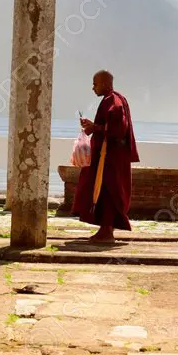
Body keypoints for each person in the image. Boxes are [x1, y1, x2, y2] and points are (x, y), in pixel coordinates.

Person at [72, 70, 139, 243]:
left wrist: (96, 128)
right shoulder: (114, 99)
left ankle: (107, 231)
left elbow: (118, 129)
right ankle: (105, 229)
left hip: (110, 157)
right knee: (103, 190)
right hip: (108, 155)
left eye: (95, 84)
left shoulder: (114, 101)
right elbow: (107, 125)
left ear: (105, 84)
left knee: (108, 191)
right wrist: (93, 127)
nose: (93, 88)